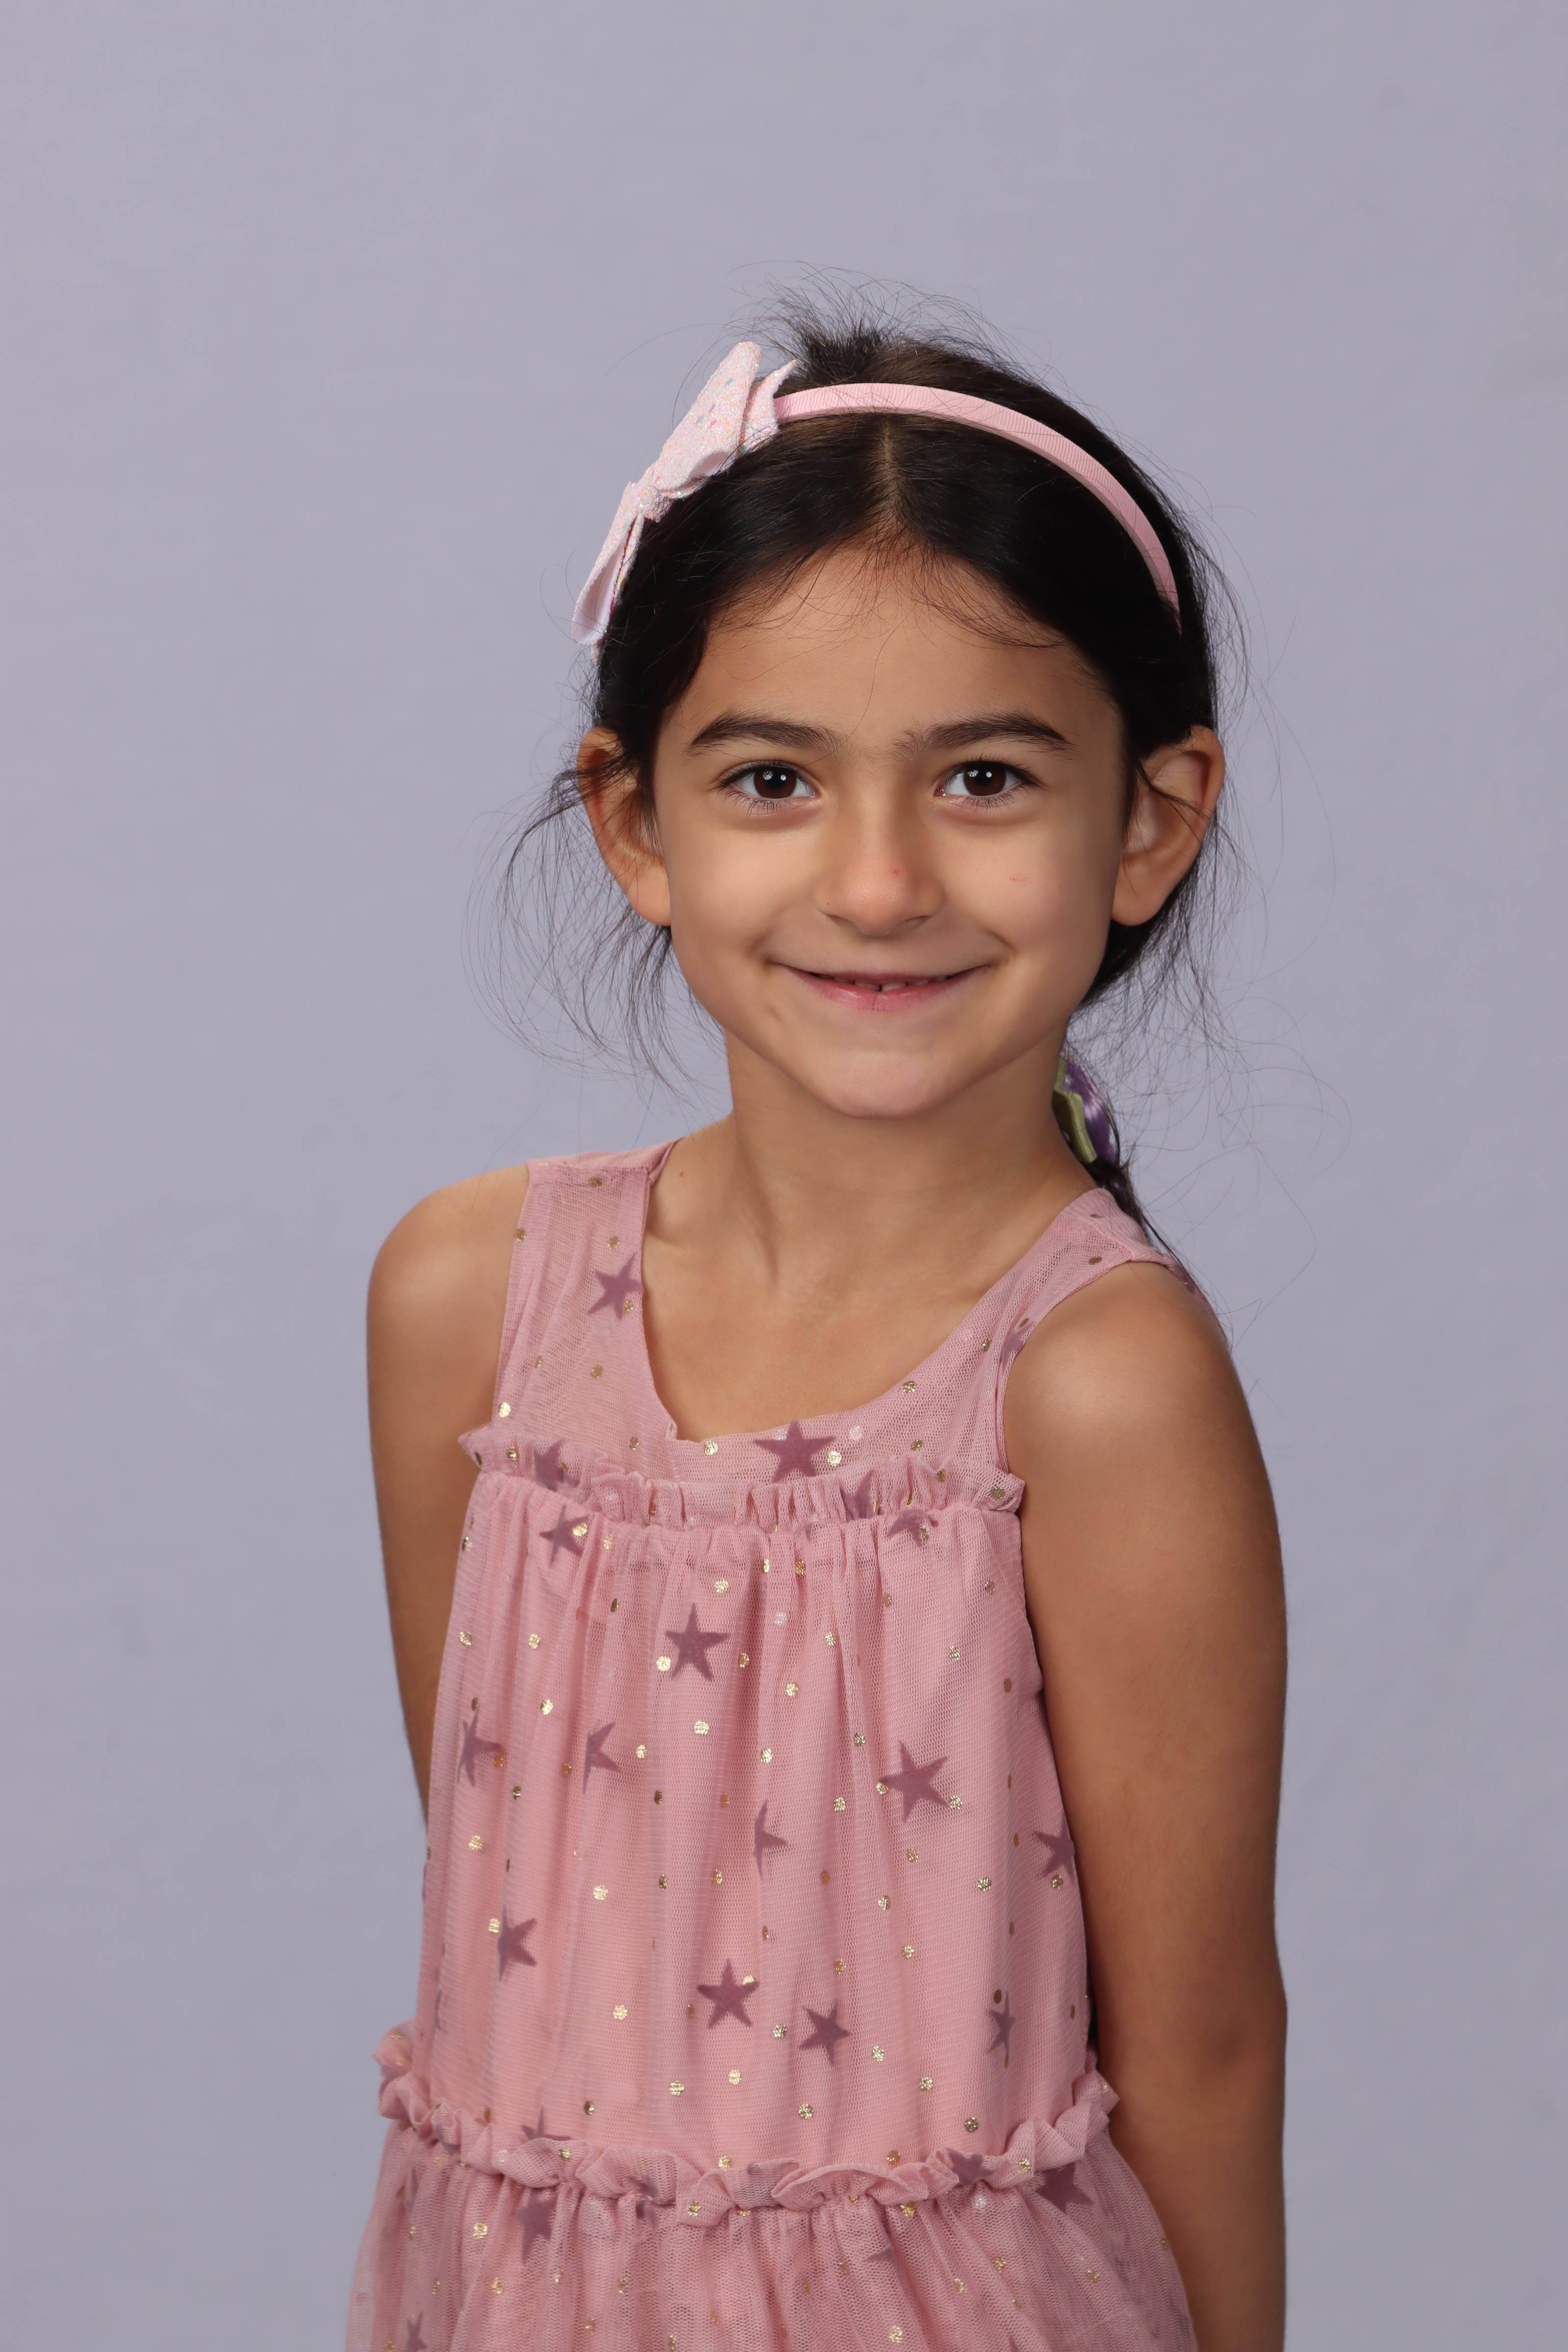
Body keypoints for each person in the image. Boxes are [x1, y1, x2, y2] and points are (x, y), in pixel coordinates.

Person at [348, 308, 1287, 2352]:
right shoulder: (469, 1308)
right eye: (771, 778)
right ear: (635, 825)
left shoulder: (1097, 1387)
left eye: (982, 776)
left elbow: (1204, 2053)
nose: (875, 882)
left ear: (1148, 818)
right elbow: (530, 1915)